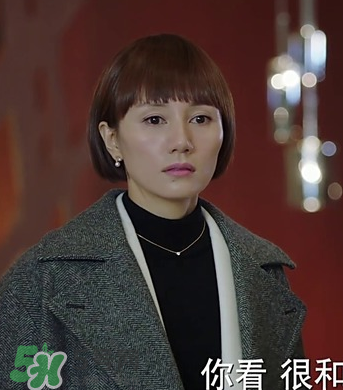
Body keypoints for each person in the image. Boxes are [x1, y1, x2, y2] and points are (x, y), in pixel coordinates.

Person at [0, 33, 305, 389]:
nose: (182, 142)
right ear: (112, 139)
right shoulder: (43, 279)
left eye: (201, 119)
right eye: (155, 120)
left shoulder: (263, 271)